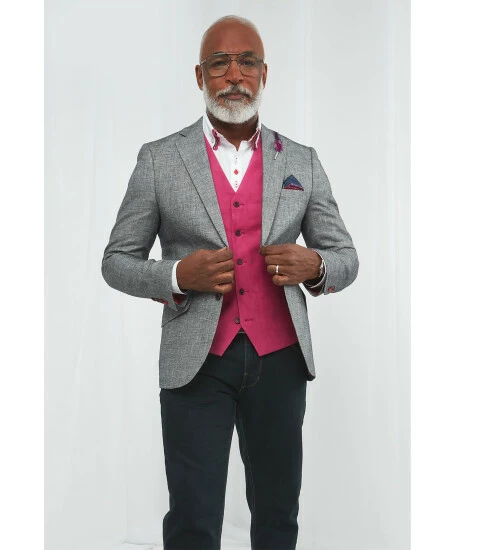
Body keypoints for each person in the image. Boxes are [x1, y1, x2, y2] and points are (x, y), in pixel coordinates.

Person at [101, 14, 358, 550]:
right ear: (200, 76)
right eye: (220, 63)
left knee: (278, 514)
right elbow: (117, 261)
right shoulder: (160, 159)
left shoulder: (302, 162)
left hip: (280, 358)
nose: (234, 75)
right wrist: (177, 274)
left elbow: (345, 257)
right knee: (193, 519)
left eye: (247, 62)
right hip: (196, 362)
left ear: (265, 74)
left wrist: (315, 266)